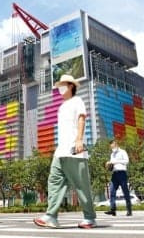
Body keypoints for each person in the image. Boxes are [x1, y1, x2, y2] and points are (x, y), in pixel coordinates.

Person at [34, 74, 97, 229]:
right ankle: (51, 216)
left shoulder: (77, 101)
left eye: (62, 85)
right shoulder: (62, 107)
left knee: (81, 185)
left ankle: (90, 218)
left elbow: (82, 119)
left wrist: (79, 140)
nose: (59, 88)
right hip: (60, 151)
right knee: (54, 182)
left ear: (70, 86)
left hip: (74, 150)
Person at [104, 139, 132, 216]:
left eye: (112, 146)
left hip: (122, 173)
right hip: (114, 174)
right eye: (110, 147)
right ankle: (113, 209)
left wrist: (115, 161)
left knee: (125, 192)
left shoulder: (123, 152)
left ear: (115, 144)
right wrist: (108, 166)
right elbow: (112, 165)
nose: (111, 148)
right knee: (112, 191)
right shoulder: (112, 154)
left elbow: (126, 161)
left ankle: (129, 210)